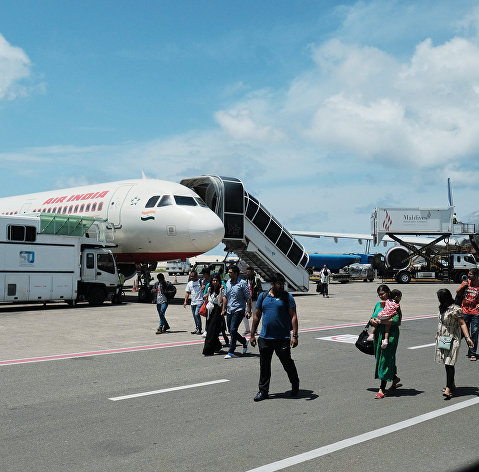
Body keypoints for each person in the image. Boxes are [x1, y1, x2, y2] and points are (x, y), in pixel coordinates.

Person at [250, 273, 299, 401]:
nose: (282, 286)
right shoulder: (263, 296)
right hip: (265, 338)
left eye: (283, 284)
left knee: (287, 363)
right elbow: (256, 315)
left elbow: (293, 315)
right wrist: (252, 334)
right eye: (279, 284)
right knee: (264, 365)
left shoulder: (287, 297)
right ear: (272, 284)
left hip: (282, 338)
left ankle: (295, 384)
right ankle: (263, 391)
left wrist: (295, 335)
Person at [434, 289, 474, 399]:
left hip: (453, 338)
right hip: (443, 337)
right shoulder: (442, 307)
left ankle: (448, 388)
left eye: (439, 297)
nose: (438, 299)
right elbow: (441, 322)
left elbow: (462, 323)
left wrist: (467, 337)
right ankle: (452, 384)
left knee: (450, 362)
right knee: (446, 362)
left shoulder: (455, 309)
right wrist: (437, 333)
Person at [369, 284, 402, 399]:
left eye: (382, 294)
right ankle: (394, 378)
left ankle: (382, 388)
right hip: (378, 336)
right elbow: (371, 318)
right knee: (380, 358)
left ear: (388, 292)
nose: (381, 296)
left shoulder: (394, 305)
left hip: (390, 336)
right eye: (379, 295)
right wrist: (373, 321)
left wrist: (381, 321)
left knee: (385, 359)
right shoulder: (378, 305)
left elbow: (397, 321)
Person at [222, 265, 252, 359]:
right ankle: (243, 341)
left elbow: (248, 298)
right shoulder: (227, 283)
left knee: (233, 329)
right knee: (231, 331)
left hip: (239, 309)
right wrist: (223, 309)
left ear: (236, 273)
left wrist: (249, 311)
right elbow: (225, 297)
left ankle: (231, 351)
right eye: (228, 272)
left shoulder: (242, 283)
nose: (229, 274)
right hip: (229, 310)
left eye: (230, 272)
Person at [456, 268, 479, 361]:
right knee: (463, 333)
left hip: (475, 313)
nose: (469, 276)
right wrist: (463, 286)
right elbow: (458, 293)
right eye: (469, 274)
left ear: (476, 275)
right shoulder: (466, 282)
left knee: (474, 332)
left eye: (471, 274)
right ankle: (471, 347)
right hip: (464, 311)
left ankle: (472, 353)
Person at [202, 274, 225, 356]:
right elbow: (206, 296)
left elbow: (221, 300)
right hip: (210, 310)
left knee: (212, 330)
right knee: (211, 329)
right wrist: (204, 295)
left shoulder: (221, 289)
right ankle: (217, 345)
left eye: (216, 280)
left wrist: (221, 291)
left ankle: (208, 350)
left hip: (217, 310)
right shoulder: (209, 289)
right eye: (213, 280)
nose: (215, 282)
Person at [183, 270, 203, 335]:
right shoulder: (189, 283)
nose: (191, 277)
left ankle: (199, 329)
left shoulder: (200, 282)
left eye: (193, 276)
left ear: (196, 276)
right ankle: (197, 328)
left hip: (200, 301)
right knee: (195, 316)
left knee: (197, 314)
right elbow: (187, 292)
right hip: (193, 302)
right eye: (190, 276)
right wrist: (185, 301)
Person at [243, 266, 262, 335]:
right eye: (247, 272)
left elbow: (260, 290)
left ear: (252, 272)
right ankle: (247, 329)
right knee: (244, 314)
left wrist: (259, 299)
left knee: (255, 315)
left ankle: (255, 330)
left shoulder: (257, 280)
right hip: (246, 300)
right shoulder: (245, 280)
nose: (247, 273)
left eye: (249, 272)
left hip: (254, 300)